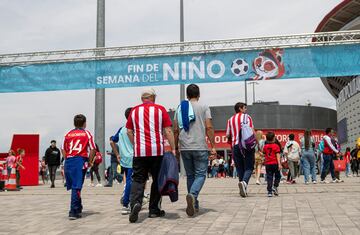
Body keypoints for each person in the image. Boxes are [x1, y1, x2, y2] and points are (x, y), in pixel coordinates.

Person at [126, 88, 176, 223]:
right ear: (153, 97)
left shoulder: (134, 111)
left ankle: (135, 203)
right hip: (157, 151)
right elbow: (168, 130)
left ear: (142, 98)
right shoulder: (160, 109)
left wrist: (136, 144)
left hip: (140, 151)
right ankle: (154, 210)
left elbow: (129, 131)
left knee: (138, 179)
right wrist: (173, 149)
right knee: (157, 179)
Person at [173, 84, 216, 216]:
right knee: (201, 175)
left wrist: (176, 147)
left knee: (190, 175)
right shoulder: (204, 107)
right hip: (199, 146)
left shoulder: (180, 108)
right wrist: (213, 146)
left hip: (184, 146)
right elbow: (209, 127)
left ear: (187, 95)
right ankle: (192, 195)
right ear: (198, 95)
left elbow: (175, 130)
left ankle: (194, 203)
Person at [61, 114, 96, 220]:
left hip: (69, 160)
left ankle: (78, 207)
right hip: (80, 160)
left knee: (74, 186)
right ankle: (73, 211)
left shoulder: (67, 134)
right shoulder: (86, 134)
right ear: (85, 123)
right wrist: (90, 161)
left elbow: (63, 149)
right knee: (77, 186)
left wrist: (67, 159)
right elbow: (93, 148)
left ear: (74, 123)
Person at [226, 102, 255, 197]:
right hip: (246, 145)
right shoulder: (247, 117)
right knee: (249, 167)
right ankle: (244, 183)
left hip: (235, 146)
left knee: (239, 168)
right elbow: (252, 131)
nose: (246, 110)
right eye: (245, 108)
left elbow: (227, 135)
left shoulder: (230, 120)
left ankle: (242, 189)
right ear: (240, 108)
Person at [110, 107, 134, 215]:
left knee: (128, 180)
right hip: (134, 158)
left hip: (124, 159)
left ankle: (128, 199)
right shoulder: (135, 129)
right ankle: (126, 203)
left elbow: (111, 141)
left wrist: (117, 154)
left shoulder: (121, 129)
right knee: (131, 180)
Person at [262, 132, 282, 197]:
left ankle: (269, 192)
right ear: (274, 138)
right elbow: (278, 155)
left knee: (269, 177)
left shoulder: (265, 146)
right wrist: (279, 164)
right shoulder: (276, 146)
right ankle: (275, 186)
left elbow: (264, 154)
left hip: (268, 164)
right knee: (278, 176)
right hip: (275, 163)